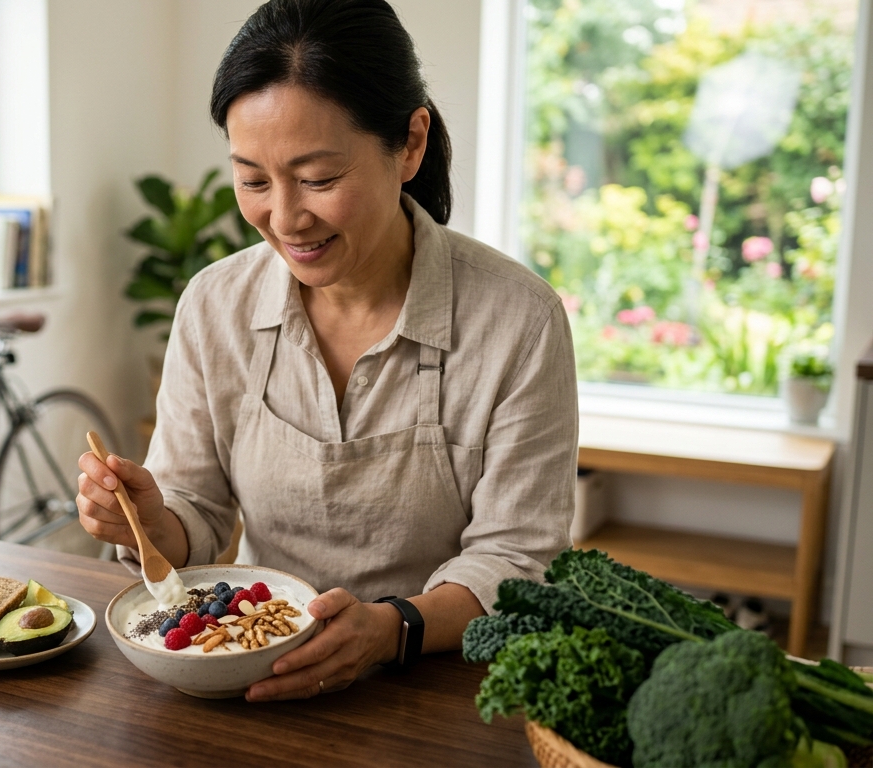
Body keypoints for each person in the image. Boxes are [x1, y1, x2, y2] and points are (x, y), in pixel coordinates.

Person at [77, 0, 577, 702]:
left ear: (409, 143)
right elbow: (198, 509)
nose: (284, 218)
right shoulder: (214, 305)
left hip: (441, 688)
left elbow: (519, 558)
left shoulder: (519, 320)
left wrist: (395, 627)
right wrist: (150, 518)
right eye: (253, 179)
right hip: (251, 666)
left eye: (317, 179)